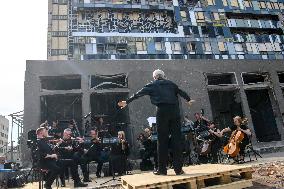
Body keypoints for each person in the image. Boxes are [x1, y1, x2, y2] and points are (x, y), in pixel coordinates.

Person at [118, 69, 194, 175]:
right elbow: (181, 92)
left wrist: (127, 101)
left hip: (162, 111)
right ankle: (178, 170)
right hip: (175, 112)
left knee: (161, 141)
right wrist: (189, 99)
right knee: (176, 140)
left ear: (154, 77)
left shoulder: (152, 85)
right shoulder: (171, 83)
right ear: (164, 76)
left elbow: (138, 94)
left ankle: (162, 170)